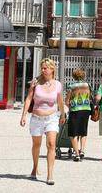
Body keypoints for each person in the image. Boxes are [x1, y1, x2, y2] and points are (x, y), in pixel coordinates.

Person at [20, 58, 66, 186]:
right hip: (36, 118)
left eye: (45, 67)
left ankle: (50, 174)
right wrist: (23, 115)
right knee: (36, 145)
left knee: (51, 144)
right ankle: (35, 167)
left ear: (52, 69)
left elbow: (60, 101)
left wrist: (63, 114)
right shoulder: (36, 82)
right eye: (42, 67)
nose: (43, 70)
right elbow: (29, 99)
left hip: (51, 118)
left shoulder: (57, 84)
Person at [65, 69, 91, 162]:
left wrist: (68, 105)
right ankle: (82, 150)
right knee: (83, 131)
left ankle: (76, 154)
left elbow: (67, 100)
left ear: (74, 76)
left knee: (73, 132)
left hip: (75, 110)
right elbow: (89, 97)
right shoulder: (88, 85)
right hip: (86, 110)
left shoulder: (71, 86)